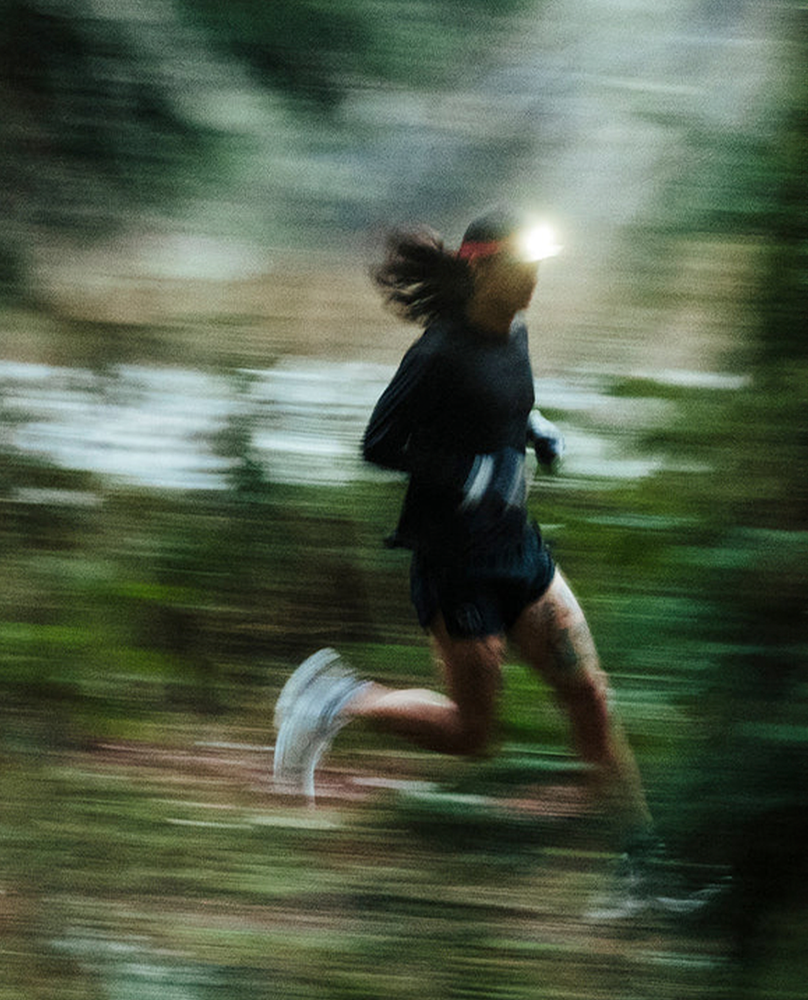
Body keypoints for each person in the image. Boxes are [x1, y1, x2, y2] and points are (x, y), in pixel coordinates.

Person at [272, 207, 685, 916]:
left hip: (517, 551)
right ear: (481, 268)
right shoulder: (437, 354)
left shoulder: (513, 335)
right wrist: (462, 475)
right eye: (521, 268)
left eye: (539, 269)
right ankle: (338, 700)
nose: (533, 283)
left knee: (590, 696)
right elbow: (378, 443)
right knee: (471, 737)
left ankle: (639, 872)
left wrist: (534, 427)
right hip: (453, 565)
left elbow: (498, 402)